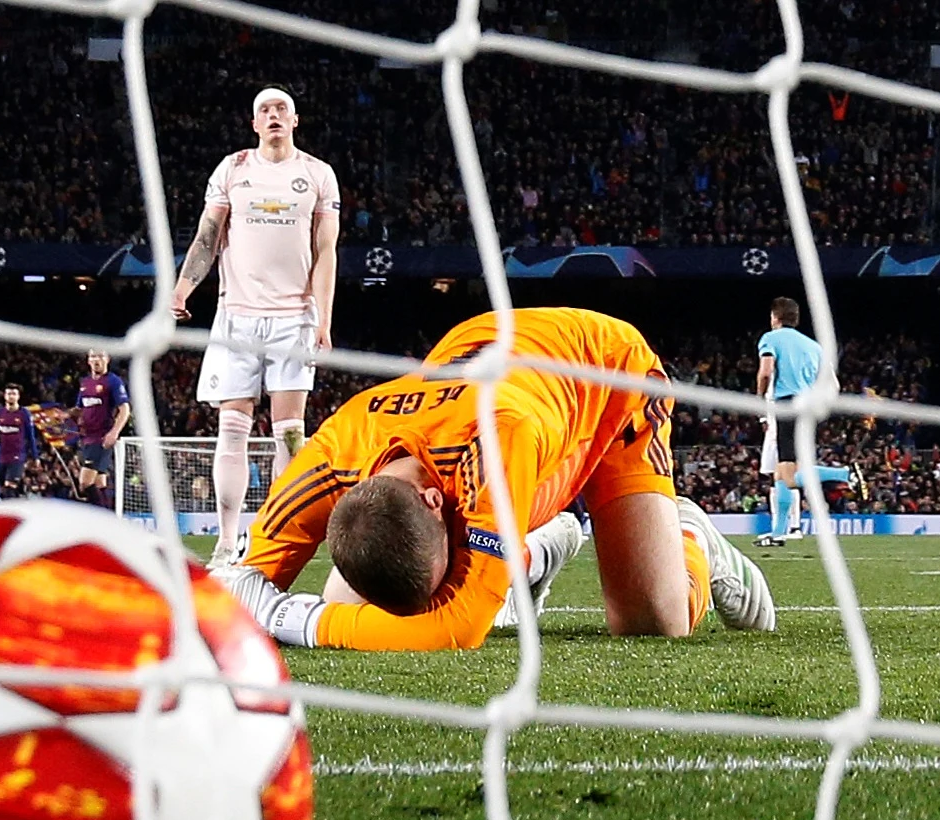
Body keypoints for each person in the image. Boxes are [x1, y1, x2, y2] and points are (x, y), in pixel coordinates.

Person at [216, 307, 777, 651]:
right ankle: (527, 558)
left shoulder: (497, 441)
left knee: (654, 622)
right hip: (492, 364)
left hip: (609, 377)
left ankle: (695, 539)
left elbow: (458, 631)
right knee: (362, 599)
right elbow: (238, 594)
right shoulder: (328, 453)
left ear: (438, 501)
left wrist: (286, 616)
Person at [170, 86, 340, 567]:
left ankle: (272, 536)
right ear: (253, 123)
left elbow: (326, 251)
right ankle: (226, 541)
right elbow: (207, 236)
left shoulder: (317, 175)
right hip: (236, 317)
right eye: (264, 110)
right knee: (232, 430)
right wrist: (183, 289)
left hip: (294, 317)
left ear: (295, 120)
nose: (273, 115)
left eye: (281, 109)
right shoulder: (233, 168)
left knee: (290, 433)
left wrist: (323, 319)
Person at [754, 297, 859, 547]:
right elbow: (833, 384)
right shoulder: (814, 346)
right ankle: (778, 533)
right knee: (781, 473)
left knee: (789, 476)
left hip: (786, 405)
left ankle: (843, 473)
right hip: (809, 407)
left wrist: (759, 399)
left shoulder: (771, 338)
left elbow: (766, 372)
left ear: (775, 317)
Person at [75, 350, 129, 508]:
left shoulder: (114, 381)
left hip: (101, 439)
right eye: (93, 356)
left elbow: (125, 408)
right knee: (99, 483)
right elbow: (79, 409)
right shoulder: (85, 383)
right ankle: (107, 519)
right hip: (87, 437)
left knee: (84, 483)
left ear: (107, 359)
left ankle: (101, 520)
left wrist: (114, 432)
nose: (96, 360)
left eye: (100, 356)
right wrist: (63, 416)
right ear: (88, 360)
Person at [0, 383, 40, 499]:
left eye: (14, 394)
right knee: (3, 489)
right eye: (9, 393)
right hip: (2, 456)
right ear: (5, 396)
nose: (11, 396)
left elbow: (31, 436)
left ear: (18, 396)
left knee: (10, 486)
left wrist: (35, 456)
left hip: (17, 456)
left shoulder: (24, 413)